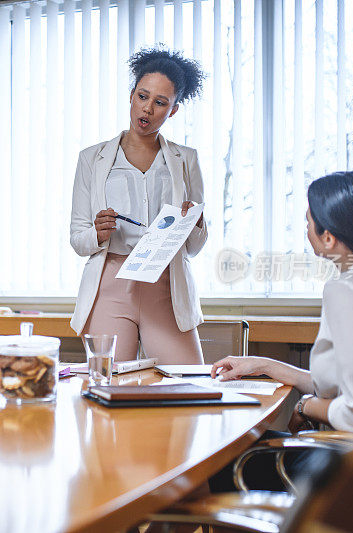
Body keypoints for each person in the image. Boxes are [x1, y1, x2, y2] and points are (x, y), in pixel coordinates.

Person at [209, 171, 353, 491]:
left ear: (328, 237)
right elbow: (351, 384)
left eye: (307, 222)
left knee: (219, 457)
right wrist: (261, 365)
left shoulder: (347, 291)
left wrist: (306, 407)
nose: (305, 230)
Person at [69, 47, 207, 363]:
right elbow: (78, 239)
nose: (147, 109)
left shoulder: (186, 160)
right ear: (132, 95)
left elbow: (196, 247)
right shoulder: (92, 159)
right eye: (143, 97)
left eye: (160, 103)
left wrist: (194, 223)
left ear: (172, 110)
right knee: (108, 389)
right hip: (111, 285)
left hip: (167, 285)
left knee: (188, 389)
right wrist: (98, 233)